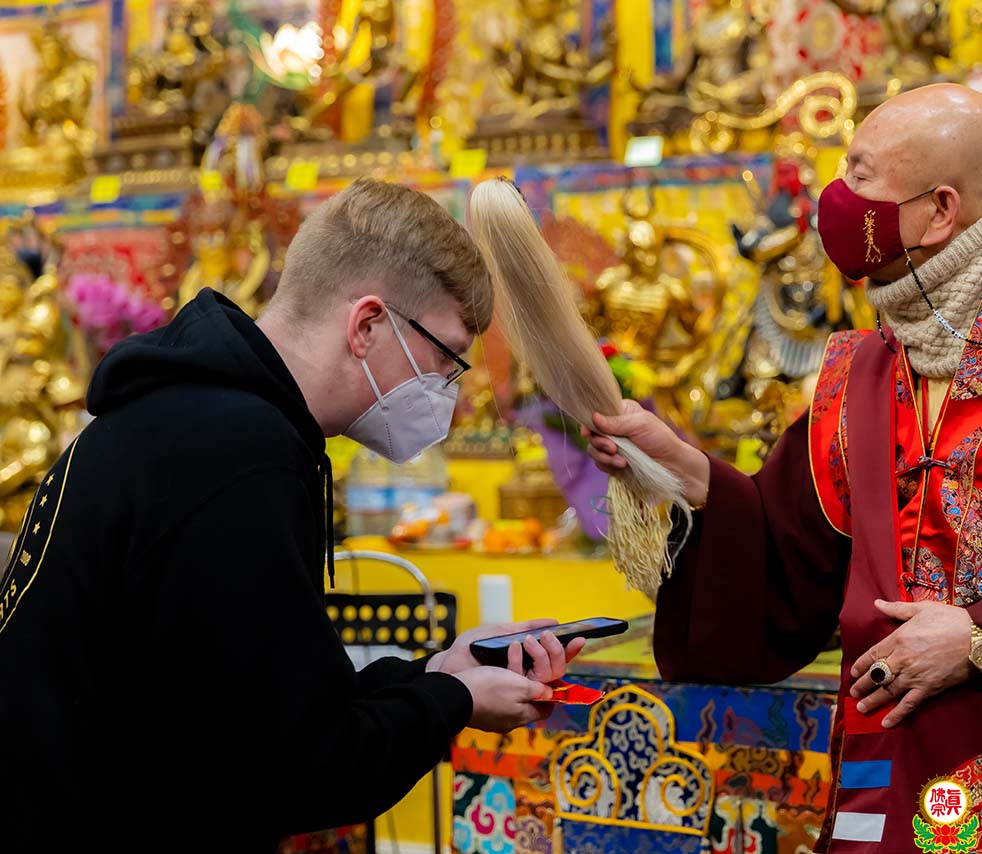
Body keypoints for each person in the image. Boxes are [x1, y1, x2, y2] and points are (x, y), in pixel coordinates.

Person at [586, 84, 982, 851]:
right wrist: (692, 475)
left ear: (939, 211)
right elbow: (790, 554)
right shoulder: (865, 369)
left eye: (860, 176)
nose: (836, 199)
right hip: (887, 776)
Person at [0, 178, 582, 849]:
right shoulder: (239, 456)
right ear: (367, 325)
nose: (444, 393)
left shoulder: (183, 416)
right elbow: (301, 767)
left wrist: (440, 673)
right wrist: (458, 702)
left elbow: (263, 704)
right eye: (444, 360)